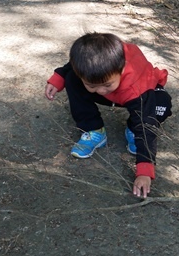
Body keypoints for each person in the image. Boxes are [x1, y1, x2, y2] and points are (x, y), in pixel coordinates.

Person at [45, 32, 172, 198]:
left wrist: (145, 169)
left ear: (120, 69)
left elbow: (146, 124)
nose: (100, 91)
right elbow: (75, 64)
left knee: (161, 105)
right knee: (71, 79)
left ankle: (132, 131)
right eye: (92, 85)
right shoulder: (94, 68)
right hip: (117, 92)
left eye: (106, 84)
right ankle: (94, 130)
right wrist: (59, 77)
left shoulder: (137, 87)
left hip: (135, 93)